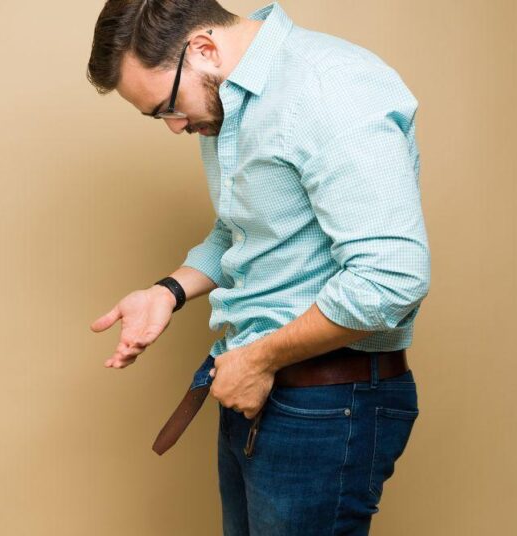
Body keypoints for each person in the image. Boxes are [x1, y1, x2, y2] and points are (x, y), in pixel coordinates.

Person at [86, 2, 430, 534]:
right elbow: (246, 230)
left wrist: (259, 359)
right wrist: (169, 291)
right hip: (258, 389)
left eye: (166, 107)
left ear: (203, 49)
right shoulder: (231, 102)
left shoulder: (328, 86)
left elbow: (390, 279)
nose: (175, 127)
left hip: (324, 404)